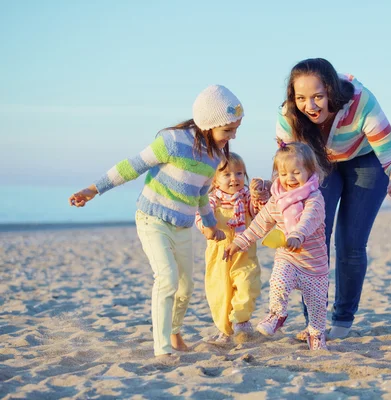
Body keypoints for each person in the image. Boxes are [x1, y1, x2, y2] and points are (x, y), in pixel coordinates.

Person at [68, 85, 245, 362]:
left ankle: (174, 331)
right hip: (153, 219)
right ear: (208, 124)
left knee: (185, 286)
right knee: (167, 278)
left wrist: (210, 225)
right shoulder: (172, 142)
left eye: (236, 128)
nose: (233, 135)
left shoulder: (215, 157)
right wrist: (93, 189)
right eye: (228, 130)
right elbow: (131, 166)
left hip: (183, 225)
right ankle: (162, 348)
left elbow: (201, 194)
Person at [275, 58, 391, 340]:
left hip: (366, 161)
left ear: (331, 92)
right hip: (320, 164)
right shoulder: (289, 115)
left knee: (350, 242)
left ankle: (343, 318)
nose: (310, 106)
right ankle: (314, 321)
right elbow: (287, 166)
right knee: (312, 239)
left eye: (317, 97)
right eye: (301, 98)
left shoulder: (362, 102)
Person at [223, 142, 329, 350]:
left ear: (310, 171)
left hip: (313, 265)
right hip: (288, 258)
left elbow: (307, 221)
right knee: (278, 281)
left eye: (296, 172)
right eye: (283, 173)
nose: (289, 178)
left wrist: (297, 235)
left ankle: (315, 333)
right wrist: (239, 242)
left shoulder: (314, 199)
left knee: (317, 307)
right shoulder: (277, 200)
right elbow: (260, 224)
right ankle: (276, 314)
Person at [195, 153, 271, 344]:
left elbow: (257, 212)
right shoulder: (212, 200)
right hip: (219, 254)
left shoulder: (246, 197)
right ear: (215, 179)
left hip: (244, 252)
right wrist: (207, 229)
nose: (234, 179)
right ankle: (224, 329)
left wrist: (259, 198)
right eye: (226, 174)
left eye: (238, 173)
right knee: (220, 290)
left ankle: (241, 321)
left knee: (247, 283)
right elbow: (201, 216)